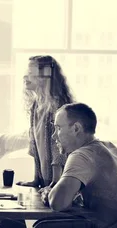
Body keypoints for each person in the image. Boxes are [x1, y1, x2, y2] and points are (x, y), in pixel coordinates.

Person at [44, 102, 117, 228]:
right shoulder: (109, 147)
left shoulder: (82, 155)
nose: (54, 136)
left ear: (76, 128)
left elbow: (58, 203)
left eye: (58, 128)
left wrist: (50, 193)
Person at [17, 55, 74, 192]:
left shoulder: (58, 106)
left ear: (45, 76)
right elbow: (35, 145)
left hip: (61, 184)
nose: (25, 76)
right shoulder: (36, 105)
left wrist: (55, 183)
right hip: (46, 183)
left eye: (30, 73)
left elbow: (59, 146)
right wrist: (37, 180)